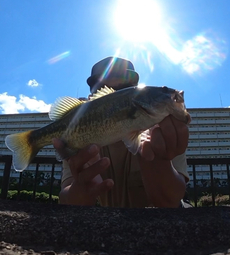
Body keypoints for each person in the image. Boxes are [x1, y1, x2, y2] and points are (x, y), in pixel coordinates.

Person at [53, 57, 190, 208]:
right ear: (91, 97)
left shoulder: (161, 131)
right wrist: (79, 191)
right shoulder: (77, 140)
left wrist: (159, 163)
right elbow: (66, 199)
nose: (115, 97)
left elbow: (171, 202)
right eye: (103, 89)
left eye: (125, 88)